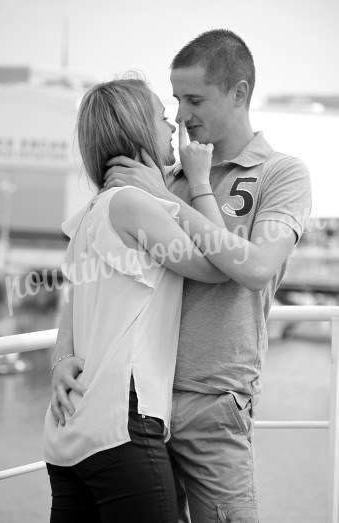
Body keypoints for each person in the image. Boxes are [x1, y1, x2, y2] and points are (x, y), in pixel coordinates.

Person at [51, 29, 312, 523]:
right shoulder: (157, 171)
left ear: (239, 92)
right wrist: (62, 354)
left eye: (195, 99)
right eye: (175, 100)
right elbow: (86, 273)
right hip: (138, 411)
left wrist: (180, 195)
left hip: (213, 401)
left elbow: (256, 268)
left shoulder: (281, 174)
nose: (181, 116)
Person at [43, 78, 229, 523]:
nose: (172, 129)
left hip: (71, 437)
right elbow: (220, 264)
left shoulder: (90, 212)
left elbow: (74, 300)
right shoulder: (134, 205)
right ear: (138, 128)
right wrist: (195, 184)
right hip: (123, 429)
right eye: (163, 118)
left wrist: (58, 360)